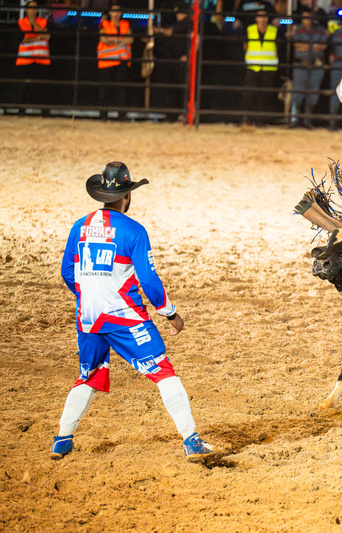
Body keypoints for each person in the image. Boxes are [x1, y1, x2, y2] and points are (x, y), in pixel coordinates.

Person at [51, 162, 214, 462]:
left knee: (89, 375)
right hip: (123, 316)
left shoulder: (79, 226)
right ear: (127, 195)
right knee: (162, 370)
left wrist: (90, 293)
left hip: (88, 317)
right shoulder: (134, 231)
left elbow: (67, 272)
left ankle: (62, 439)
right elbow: (149, 281)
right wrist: (169, 313)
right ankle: (191, 440)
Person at [288, 10, 327, 128]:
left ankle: (307, 120)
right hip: (301, 64)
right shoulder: (299, 29)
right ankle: (294, 119)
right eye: (305, 18)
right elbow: (297, 45)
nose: (307, 20)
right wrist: (314, 46)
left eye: (309, 17)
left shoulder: (320, 30)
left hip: (316, 65)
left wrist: (306, 46)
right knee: (297, 94)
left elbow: (323, 46)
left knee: (313, 94)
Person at [243, 8, 280, 126]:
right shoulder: (250, 29)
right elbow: (245, 45)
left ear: (268, 19)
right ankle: (249, 118)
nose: (263, 19)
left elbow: (278, 46)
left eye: (265, 17)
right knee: (250, 93)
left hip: (269, 67)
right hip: (253, 66)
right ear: (256, 19)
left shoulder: (274, 30)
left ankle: (259, 119)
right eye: (260, 17)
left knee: (264, 95)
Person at [97, 3, 133, 121]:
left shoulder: (125, 24)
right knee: (105, 89)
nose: (116, 14)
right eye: (114, 11)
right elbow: (104, 39)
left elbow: (130, 39)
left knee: (121, 88)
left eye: (118, 11)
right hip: (107, 61)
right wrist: (121, 40)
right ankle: (103, 114)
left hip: (122, 61)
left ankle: (122, 114)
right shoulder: (104, 24)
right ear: (110, 13)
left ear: (121, 13)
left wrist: (114, 40)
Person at [16, 0, 51, 115]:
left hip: (41, 59)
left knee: (42, 86)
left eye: (35, 8)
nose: (33, 10)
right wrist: (38, 37)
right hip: (25, 60)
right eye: (31, 8)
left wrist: (35, 24)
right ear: (26, 10)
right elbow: (22, 39)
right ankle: (22, 110)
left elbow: (47, 37)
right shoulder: (21, 23)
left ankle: (44, 111)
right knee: (25, 86)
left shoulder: (43, 22)